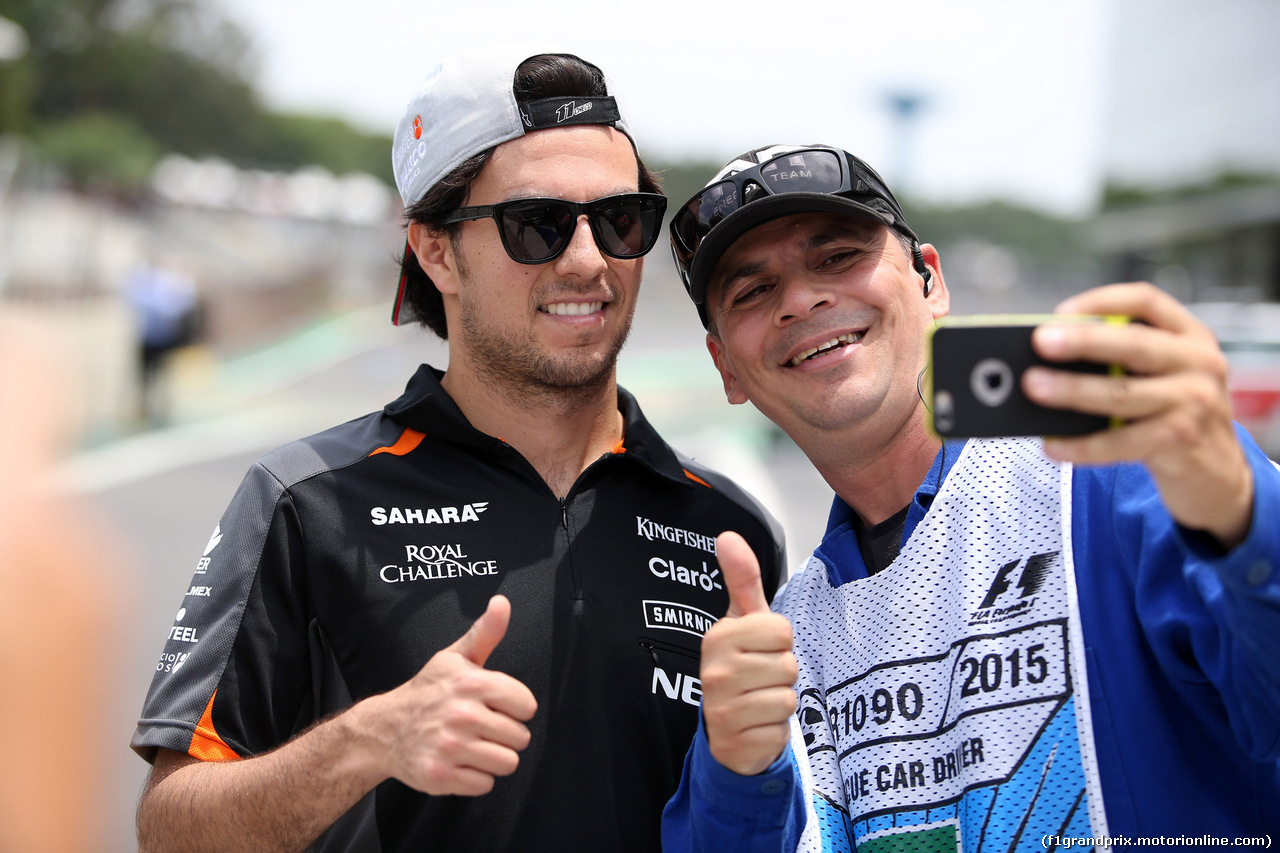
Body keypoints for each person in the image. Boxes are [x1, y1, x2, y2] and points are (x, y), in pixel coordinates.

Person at [130, 46, 784, 853]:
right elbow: (169, 829)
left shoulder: (730, 529)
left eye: (620, 221)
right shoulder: (308, 501)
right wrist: (367, 740)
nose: (588, 260)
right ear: (437, 250)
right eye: (537, 225)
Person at [660, 144, 1280, 851]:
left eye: (837, 257)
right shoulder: (781, 641)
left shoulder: (1113, 478)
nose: (801, 299)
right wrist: (738, 775)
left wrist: (1243, 521)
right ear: (725, 368)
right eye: (752, 291)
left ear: (931, 281)